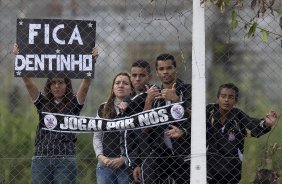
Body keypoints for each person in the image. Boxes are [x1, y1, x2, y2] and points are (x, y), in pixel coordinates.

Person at [13, 44, 98, 184]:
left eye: (60, 82)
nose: (57, 86)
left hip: (65, 159)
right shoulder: (42, 102)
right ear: (49, 86)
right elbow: (28, 83)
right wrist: (19, 58)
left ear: (67, 85)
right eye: (53, 83)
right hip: (41, 157)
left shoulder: (74, 104)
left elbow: (86, 84)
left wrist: (92, 62)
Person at [132, 53, 191, 184]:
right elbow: (145, 129)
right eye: (161, 69)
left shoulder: (188, 90)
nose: (165, 72)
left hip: (185, 150)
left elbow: (197, 119)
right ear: (157, 72)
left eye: (169, 68)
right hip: (161, 152)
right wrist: (148, 101)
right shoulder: (154, 94)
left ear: (175, 69)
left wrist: (176, 100)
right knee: (149, 165)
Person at [206, 83, 279, 184]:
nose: (226, 100)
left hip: (231, 171)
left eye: (231, 97)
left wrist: (266, 123)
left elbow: (254, 125)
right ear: (217, 98)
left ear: (235, 101)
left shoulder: (238, 116)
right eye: (223, 96)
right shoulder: (208, 112)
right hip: (208, 169)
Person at [93, 72, 133, 184]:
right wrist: (101, 157)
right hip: (105, 166)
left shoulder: (136, 108)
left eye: (125, 83)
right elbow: (97, 136)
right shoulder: (103, 107)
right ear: (113, 88)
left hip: (127, 166)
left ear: (131, 88)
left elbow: (138, 139)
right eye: (117, 83)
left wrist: (124, 159)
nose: (120, 85)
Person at [125, 60, 153, 184]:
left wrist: (148, 97)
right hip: (134, 158)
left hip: (156, 157)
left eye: (142, 75)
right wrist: (135, 163)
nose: (137, 79)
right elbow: (128, 135)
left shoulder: (155, 95)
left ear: (149, 77)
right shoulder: (127, 100)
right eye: (134, 75)